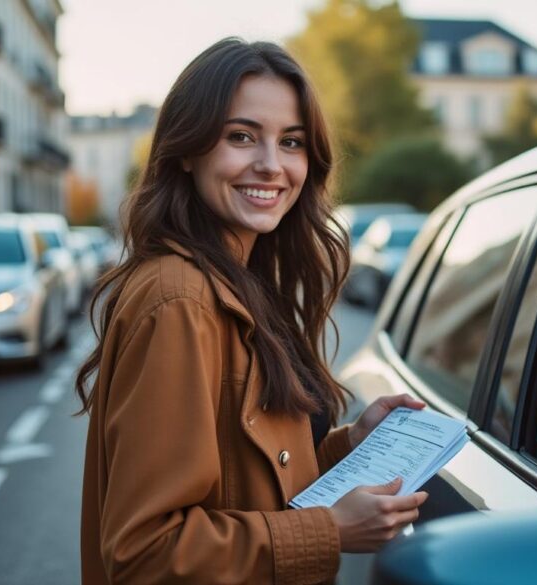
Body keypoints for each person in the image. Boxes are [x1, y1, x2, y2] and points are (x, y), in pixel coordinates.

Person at [75, 38, 428, 585]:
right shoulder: (180, 300)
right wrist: (330, 531)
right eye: (241, 137)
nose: (270, 166)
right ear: (187, 150)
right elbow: (145, 551)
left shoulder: (239, 281)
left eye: (291, 142)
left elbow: (248, 481)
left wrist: (347, 447)